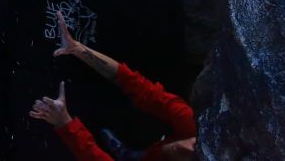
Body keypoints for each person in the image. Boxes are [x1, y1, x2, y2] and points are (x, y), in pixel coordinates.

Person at [29, 11, 197, 161]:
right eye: (196, 145)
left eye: (195, 158)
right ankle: (128, 155)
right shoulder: (194, 126)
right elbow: (139, 87)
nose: (185, 147)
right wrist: (78, 49)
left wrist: (65, 123)